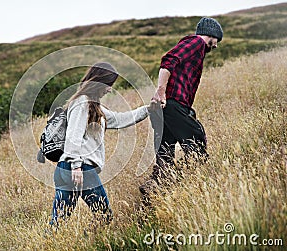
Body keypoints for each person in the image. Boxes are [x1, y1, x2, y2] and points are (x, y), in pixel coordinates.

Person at [49, 62, 151, 228]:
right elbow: (73, 136)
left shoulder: (93, 105)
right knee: (104, 215)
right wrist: (76, 166)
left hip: (66, 168)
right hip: (80, 168)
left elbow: (120, 119)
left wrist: (149, 109)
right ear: (99, 82)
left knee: (59, 222)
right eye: (109, 85)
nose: (110, 89)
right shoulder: (82, 102)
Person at [140, 17, 224, 198]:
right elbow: (168, 61)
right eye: (216, 40)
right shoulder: (196, 43)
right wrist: (161, 92)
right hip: (171, 105)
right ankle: (198, 182)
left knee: (165, 154)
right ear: (211, 35)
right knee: (197, 137)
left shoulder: (197, 51)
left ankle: (154, 188)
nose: (216, 46)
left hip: (166, 109)